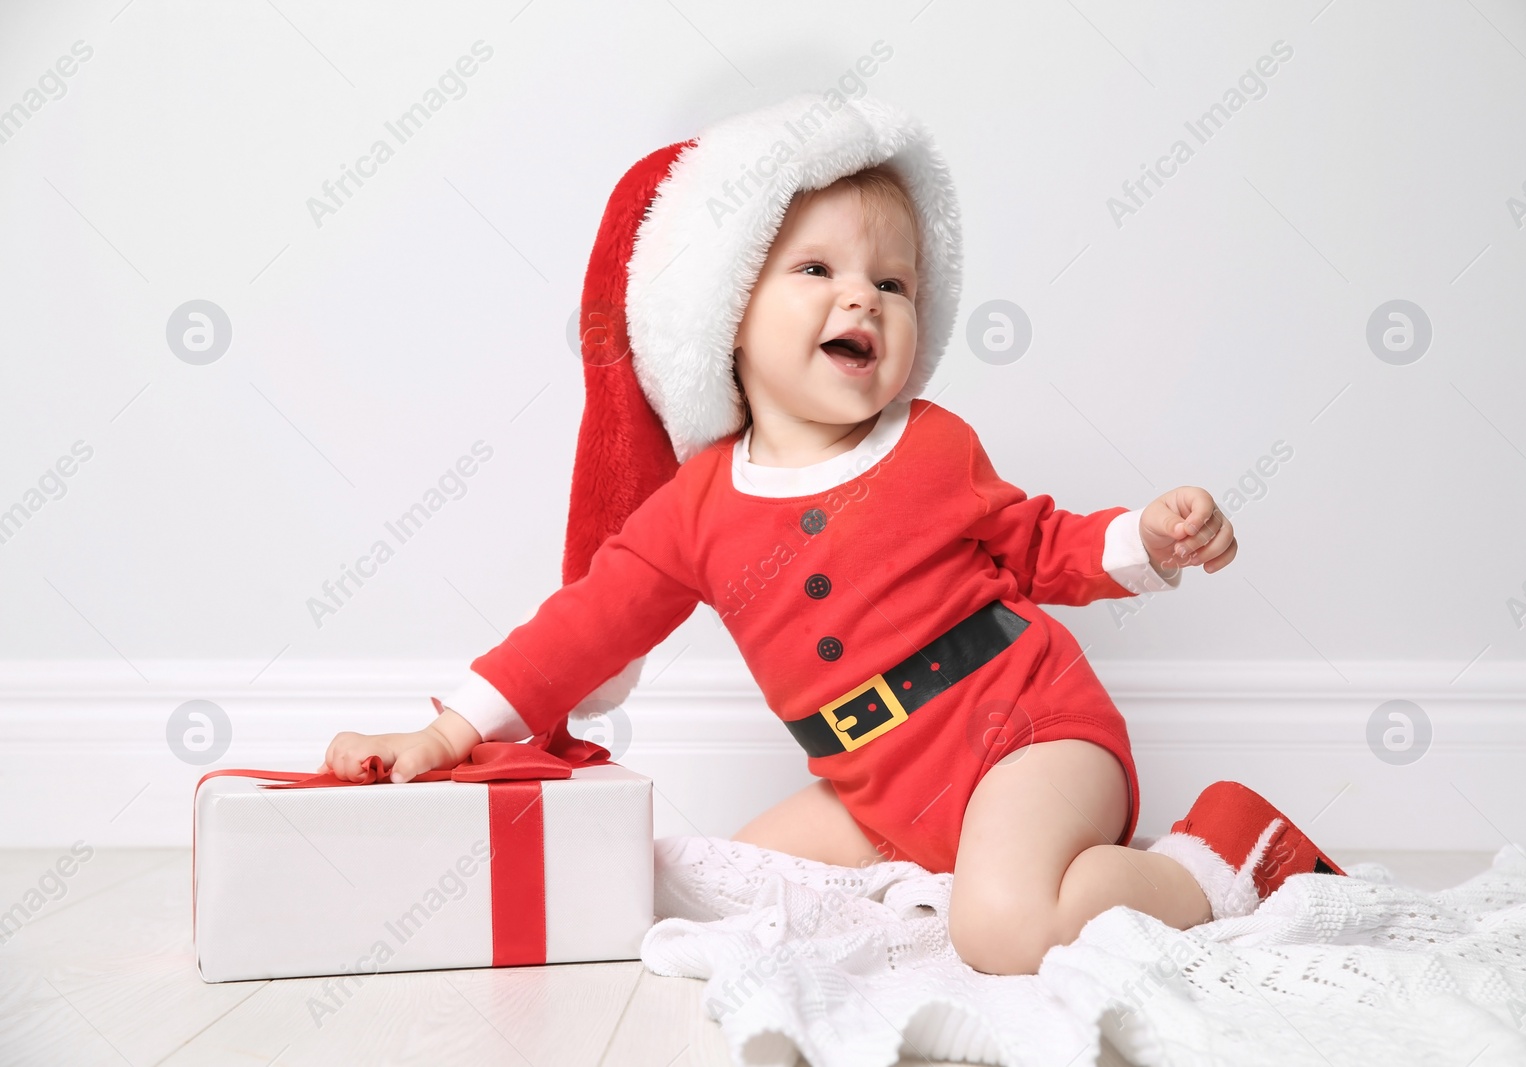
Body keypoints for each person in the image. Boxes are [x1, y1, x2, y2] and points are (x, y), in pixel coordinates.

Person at [320, 93, 1343, 976]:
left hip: (1027, 739)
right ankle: (933, 888)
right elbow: (584, 624)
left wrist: (1147, 540)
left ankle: (1212, 859)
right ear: (725, 308)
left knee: (1004, 928)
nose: (863, 293)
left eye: (892, 283)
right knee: (707, 887)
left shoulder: (932, 447)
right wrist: (447, 732)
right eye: (815, 268)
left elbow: (1039, 544)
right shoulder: (693, 508)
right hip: (868, 788)